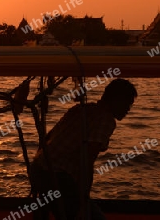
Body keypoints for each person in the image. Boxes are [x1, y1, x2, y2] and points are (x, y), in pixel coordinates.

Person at [30, 78, 137, 219]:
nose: (128, 109)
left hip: (38, 168)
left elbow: (48, 138)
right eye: (127, 104)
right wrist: (83, 199)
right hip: (57, 177)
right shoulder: (105, 120)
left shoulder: (80, 109)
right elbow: (86, 160)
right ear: (115, 100)